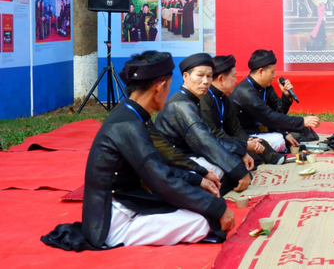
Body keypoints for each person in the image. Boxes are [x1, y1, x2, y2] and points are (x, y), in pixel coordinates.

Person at [41, 51, 234, 251]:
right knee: (204, 222)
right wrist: (218, 209)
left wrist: (197, 179)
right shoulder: (128, 124)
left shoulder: (130, 112)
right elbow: (161, 179)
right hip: (113, 219)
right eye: (168, 86)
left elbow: (157, 165)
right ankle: (122, 236)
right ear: (160, 88)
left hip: (129, 200)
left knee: (200, 205)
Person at [155, 53, 254, 194]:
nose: (206, 81)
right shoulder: (181, 104)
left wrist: (240, 152)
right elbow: (205, 141)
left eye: (209, 76)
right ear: (185, 77)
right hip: (173, 162)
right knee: (225, 171)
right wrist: (238, 171)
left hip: (190, 154)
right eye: (200, 75)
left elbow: (210, 137)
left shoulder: (192, 100)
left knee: (232, 163)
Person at [200, 55, 285, 167]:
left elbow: (236, 129)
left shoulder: (224, 98)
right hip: (212, 146)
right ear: (221, 79)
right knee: (236, 162)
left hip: (230, 141)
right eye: (234, 77)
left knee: (261, 144)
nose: (236, 81)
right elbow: (213, 133)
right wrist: (244, 144)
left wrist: (247, 142)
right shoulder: (204, 98)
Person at [230, 50, 320, 152]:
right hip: (245, 135)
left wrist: (286, 97)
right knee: (279, 140)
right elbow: (269, 117)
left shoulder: (265, 87)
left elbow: (278, 113)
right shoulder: (245, 92)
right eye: (272, 72)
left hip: (261, 128)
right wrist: (302, 121)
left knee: (296, 132)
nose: (274, 76)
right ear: (261, 71)